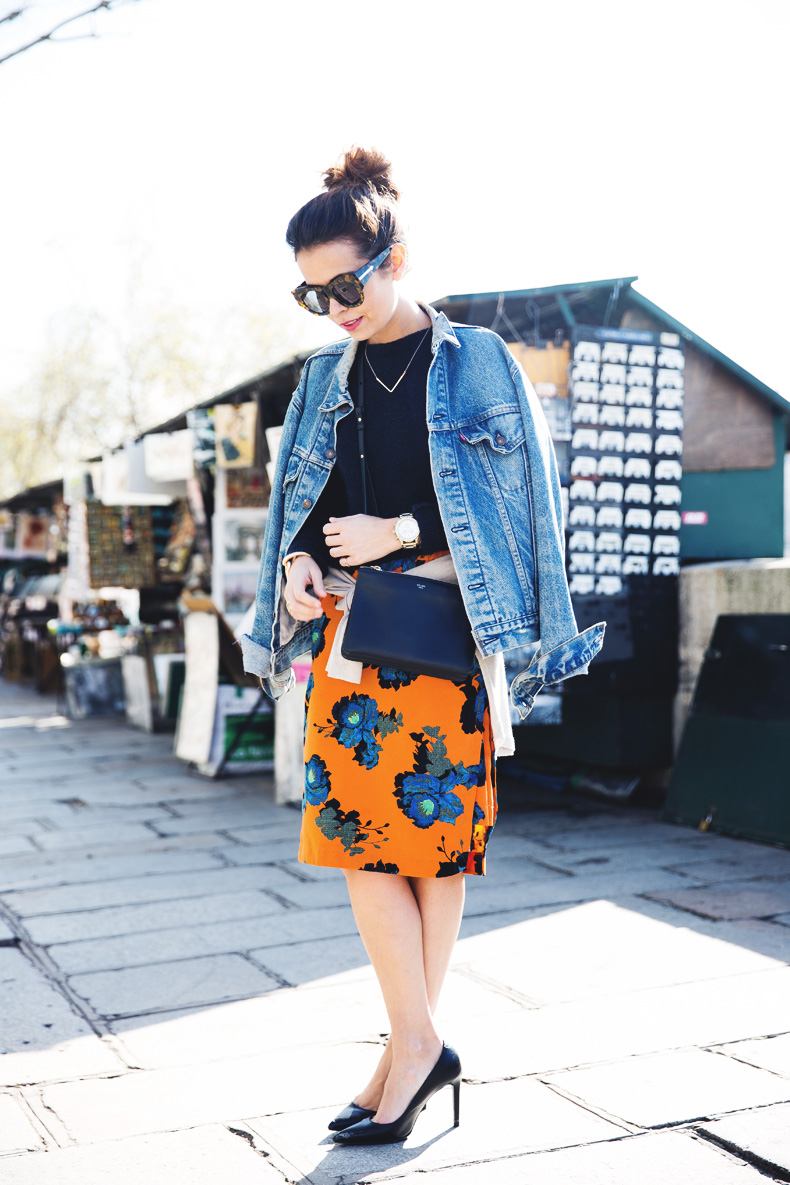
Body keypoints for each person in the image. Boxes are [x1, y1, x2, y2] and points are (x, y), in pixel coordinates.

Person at [241, 147, 604, 1146]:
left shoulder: (479, 360)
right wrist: (298, 571)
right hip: (353, 647)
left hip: (446, 639)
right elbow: (306, 519)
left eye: (347, 283)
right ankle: (418, 1046)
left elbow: (524, 524)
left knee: (433, 856)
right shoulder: (324, 380)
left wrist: (401, 537)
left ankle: (403, 1060)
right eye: (313, 296)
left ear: (398, 255)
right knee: (363, 849)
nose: (335, 308)